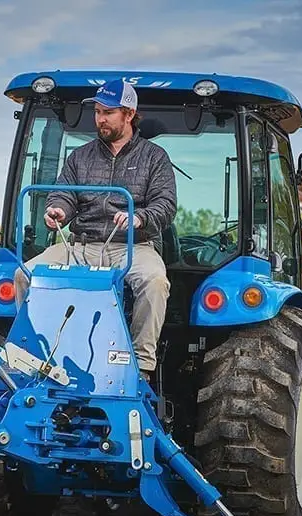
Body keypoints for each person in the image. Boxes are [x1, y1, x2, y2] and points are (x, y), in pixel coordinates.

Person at [13, 79, 177, 381]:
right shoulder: (80, 156)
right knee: (24, 274)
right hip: (81, 245)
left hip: (131, 246)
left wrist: (139, 217)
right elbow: (63, 193)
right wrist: (59, 210)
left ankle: (141, 366)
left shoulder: (155, 158)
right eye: (98, 112)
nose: (100, 119)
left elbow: (165, 205)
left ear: (129, 114)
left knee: (154, 281)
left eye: (108, 112)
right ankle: (33, 352)